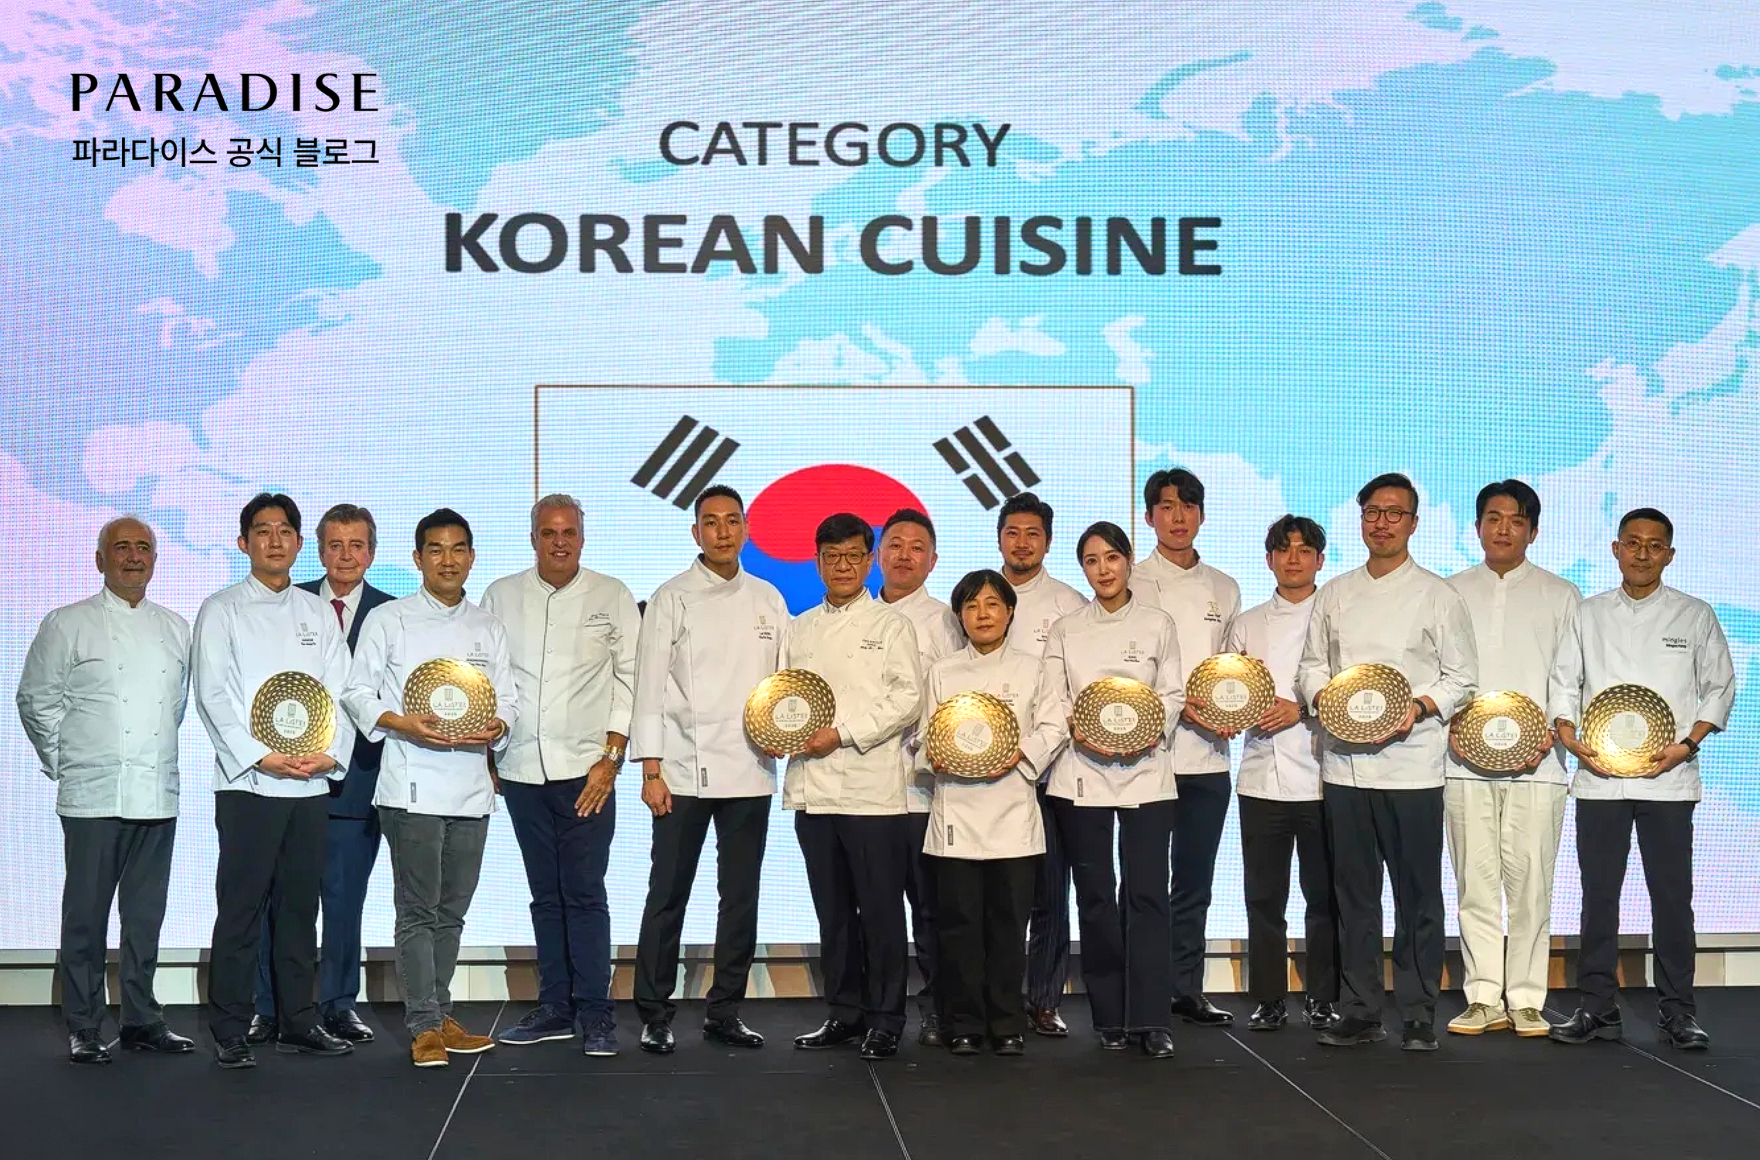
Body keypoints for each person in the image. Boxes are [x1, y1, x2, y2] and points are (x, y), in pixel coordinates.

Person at [1295, 472, 1477, 1052]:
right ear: (1361, 519)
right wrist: (1327, 700)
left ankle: (1419, 1011)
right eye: (1373, 511)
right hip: (1345, 769)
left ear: (1413, 524)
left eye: (1394, 513)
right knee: (1354, 895)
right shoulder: (1335, 593)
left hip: (1414, 767)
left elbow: (1462, 678)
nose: (1382, 523)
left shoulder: (1438, 595)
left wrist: (1418, 707)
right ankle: (1361, 1009)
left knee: (1417, 895)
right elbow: (1311, 666)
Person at [1549, 508, 1735, 1051]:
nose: (1643, 554)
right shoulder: (1587, 613)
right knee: (1598, 896)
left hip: (1667, 779)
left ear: (1669, 555)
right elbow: (1564, 681)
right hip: (1600, 776)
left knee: (1672, 897)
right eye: (1633, 543)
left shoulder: (1694, 615)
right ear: (1616, 549)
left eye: (1655, 546)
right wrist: (1568, 733)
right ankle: (1596, 1006)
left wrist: (1687, 744)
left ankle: (1678, 1011)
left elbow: (1720, 686)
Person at [343, 508, 518, 1068]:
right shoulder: (389, 619)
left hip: (470, 787)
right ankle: (423, 1025)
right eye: (436, 550)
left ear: (472, 556)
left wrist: (499, 726)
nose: (448, 560)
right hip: (411, 787)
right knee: (418, 911)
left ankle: (441, 1015)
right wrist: (402, 722)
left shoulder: (488, 625)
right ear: (418, 559)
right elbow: (356, 692)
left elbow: (509, 697)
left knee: (452, 912)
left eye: (458, 549)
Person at [18, 516, 194, 1064]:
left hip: (156, 792)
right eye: (122, 548)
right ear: (100, 560)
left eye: (143, 548)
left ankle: (142, 1019)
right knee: (86, 917)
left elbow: (175, 707)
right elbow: (35, 700)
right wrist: (69, 762)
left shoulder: (175, 627)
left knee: (145, 918)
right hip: (93, 794)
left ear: (155, 559)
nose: (133, 557)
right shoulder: (66, 623)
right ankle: (85, 1023)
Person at [193, 493, 357, 1069]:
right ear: (244, 543)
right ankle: (230, 1028)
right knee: (240, 911)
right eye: (263, 531)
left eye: (285, 531)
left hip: (308, 784)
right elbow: (212, 695)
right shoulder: (222, 609)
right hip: (249, 785)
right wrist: (259, 756)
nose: (275, 541)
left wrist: (329, 756)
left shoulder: (317, 611)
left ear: (298, 542)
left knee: (299, 909)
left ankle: (299, 1022)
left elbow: (342, 691)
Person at [480, 494, 639, 1057]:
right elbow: (487, 680)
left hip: (586, 772)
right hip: (521, 769)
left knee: (585, 894)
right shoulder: (500, 595)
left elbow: (631, 679)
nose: (559, 542)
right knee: (545, 896)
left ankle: (596, 1013)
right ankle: (555, 1007)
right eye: (548, 533)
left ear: (582, 538)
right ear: (533, 539)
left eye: (568, 532)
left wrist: (611, 758)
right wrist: (489, 753)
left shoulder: (612, 594)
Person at [630, 485, 788, 1053]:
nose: (723, 531)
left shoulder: (769, 598)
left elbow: (784, 687)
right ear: (695, 532)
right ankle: (654, 1012)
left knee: (740, 896)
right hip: (680, 769)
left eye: (732, 521)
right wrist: (651, 770)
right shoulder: (671, 597)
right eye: (711, 522)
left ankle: (726, 1010)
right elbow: (648, 687)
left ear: (746, 529)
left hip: (750, 770)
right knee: (667, 893)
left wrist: (785, 738)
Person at [250, 503, 393, 1046]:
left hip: (358, 781)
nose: (345, 556)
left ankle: (337, 1005)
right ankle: (270, 1007)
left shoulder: (393, 613)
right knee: (278, 902)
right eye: (335, 545)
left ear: (371, 553)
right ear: (319, 550)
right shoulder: (290, 602)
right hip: (286, 776)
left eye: (356, 545)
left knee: (343, 901)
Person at [1443, 481, 1581, 1039]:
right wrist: (1449, 725)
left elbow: (1570, 674)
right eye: (1493, 518)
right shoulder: (1450, 591)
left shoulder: (1561, 594)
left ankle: (1526, 999)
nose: (1503, 529)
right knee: (1474, 883)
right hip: (1461, 762)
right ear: (1477, 527)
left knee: (1531, 886)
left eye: (1516, 520)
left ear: (1534, 531)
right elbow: (1439, 670)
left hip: (1539, 764)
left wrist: (1556, 729)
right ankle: (1482, 997)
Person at [1039, 521, 1182, 1059]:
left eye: (1112, 558)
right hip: (1081, 774)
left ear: (1127, 561)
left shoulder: (1158, 623)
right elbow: (1054, 698)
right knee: (1095, 897)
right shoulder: (1066, 628)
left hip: (1147, 772)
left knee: (1147, 895)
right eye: (1092, 561)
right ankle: (1108, 1017)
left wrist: (1143, 731)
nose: (1104, 569)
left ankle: (1151, 1019)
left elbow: (1172, 693)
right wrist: (1080, 730)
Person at [784, 513, 924, 1061]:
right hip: (813, 791)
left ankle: (886, 1019)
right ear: (817, 562)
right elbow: (784, 695)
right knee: (834, 912)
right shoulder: (799, 628)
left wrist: (841, 734)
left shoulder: (892, 625)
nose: (842, 566)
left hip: (872, 790)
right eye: (831, 556)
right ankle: (844, 1012)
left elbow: (907, 698)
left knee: (881, 911)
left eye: (852, 556)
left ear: (869, 562)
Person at [917, 569, 1060, 1056]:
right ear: (960, 616)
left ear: (1010, 612)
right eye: (972, 606)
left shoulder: (1032, 668)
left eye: (992, 604)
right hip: (957, 814)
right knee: (958, 926)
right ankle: (964, 1023)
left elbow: (1052, 726)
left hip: (1012, 813)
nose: (982, 614)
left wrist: (1019, 755)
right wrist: (934, 758)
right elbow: (924, 735)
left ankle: (1007, 1023)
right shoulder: (943, 671)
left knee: (1008, 926)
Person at [1135, 468, 1242, 1027]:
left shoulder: (1224, 588)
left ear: (1201, 515)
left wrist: (1232, 708)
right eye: (1167, 506)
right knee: (1145, 885)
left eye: (1188, 506)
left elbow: (1232, 672)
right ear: (1149, 516)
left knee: (1194, 883)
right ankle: (1142, 988)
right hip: (1143, 757)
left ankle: (1186, 987)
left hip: (1207, 757)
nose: (1178, 517)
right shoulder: (1130, 580)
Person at [1225, 515, 1339, 1033]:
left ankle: (1323, 997)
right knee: (1263, 899)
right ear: (1269, 559)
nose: (1293, 558)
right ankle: (1269, 998)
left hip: (1323, 776)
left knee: (1324, 898)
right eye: (1283, 549)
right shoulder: (1247, 623)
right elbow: (1227, 690)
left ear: (1320, 559)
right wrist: (1235, 710)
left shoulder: (1337, 618)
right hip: (1260, 778)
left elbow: (1352, 692)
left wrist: (1302, 709)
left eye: (1304, 550)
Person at [995, 492, 1086, 1037]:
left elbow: (1075, 692)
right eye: (1012, 532)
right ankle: (998, 996)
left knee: (1051, 894)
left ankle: (1044, 1000)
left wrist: (1033, 751)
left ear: (1047, 542)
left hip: (1050, 773)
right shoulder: (982, 595)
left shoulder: (1070, 605)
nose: (1022, 543)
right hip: (984, 776)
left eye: (1032, 533)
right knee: (998, 895)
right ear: (999, 539)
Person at [877, 507, 961, 1047]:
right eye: (895, 545)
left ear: (932, 561)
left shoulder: (946, 622)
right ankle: (875, 1012)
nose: (904, 555)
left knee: (931, 910)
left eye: (916, 547)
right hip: (864, 793)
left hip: (924, 791)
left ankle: (938, 1008)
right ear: (877, 555)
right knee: (875, 909)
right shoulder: (856, 617)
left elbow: (960, 702)